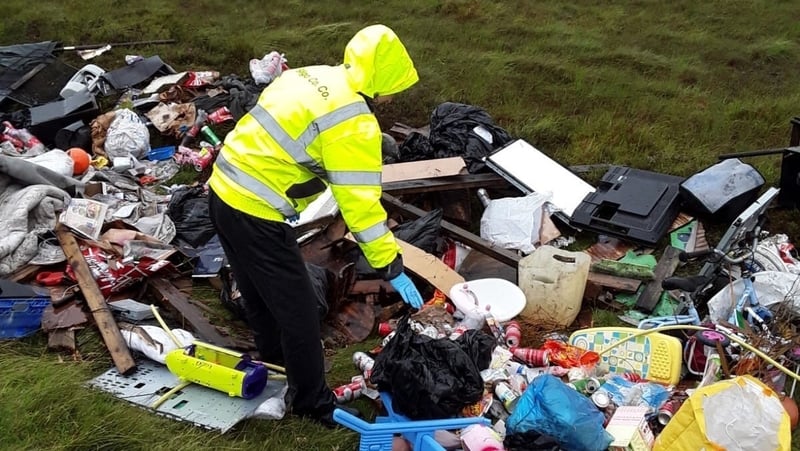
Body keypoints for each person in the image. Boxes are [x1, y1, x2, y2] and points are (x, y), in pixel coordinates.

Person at [207, 24, 424, 428]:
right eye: (394, 85)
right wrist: (390, 265)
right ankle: (313, 401)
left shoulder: (314, 75)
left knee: (257, 293)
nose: (394, 96)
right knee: (302, 312)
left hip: (222, 189)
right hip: (256, 210)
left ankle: (273, 366)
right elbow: (360, 205)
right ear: (382, 80)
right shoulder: (354, 123)